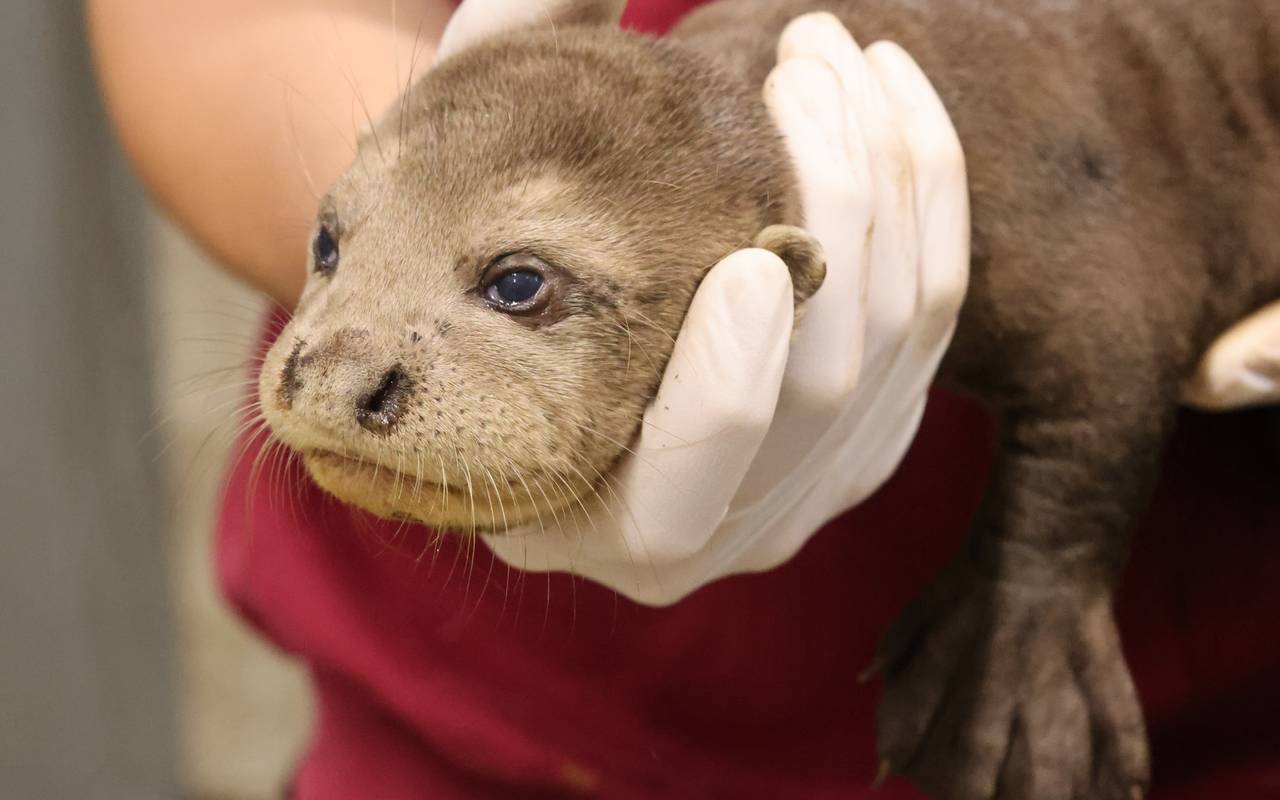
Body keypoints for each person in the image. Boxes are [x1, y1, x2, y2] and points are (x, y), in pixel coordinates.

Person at [91, 0, 1280, 797]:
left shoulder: (1020, 219)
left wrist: (1035, 586)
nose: (326, 374)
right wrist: (445, 134)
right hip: (457, 741)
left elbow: (1109, 316)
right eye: (334, 247)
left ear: (779, 264)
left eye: (518, 289)